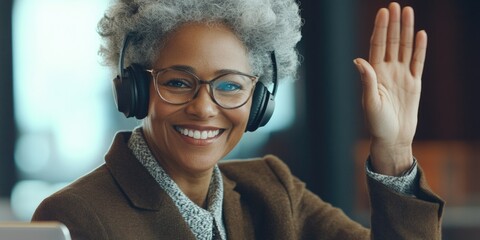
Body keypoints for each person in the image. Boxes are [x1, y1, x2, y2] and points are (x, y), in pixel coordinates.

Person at [32, 0, 444, 239]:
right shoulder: (73, 216)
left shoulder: (273, 189)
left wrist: (393, 151)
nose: (204, 107)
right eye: (178, 82)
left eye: (229, 86)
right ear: (136, 89)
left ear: (260, 100)